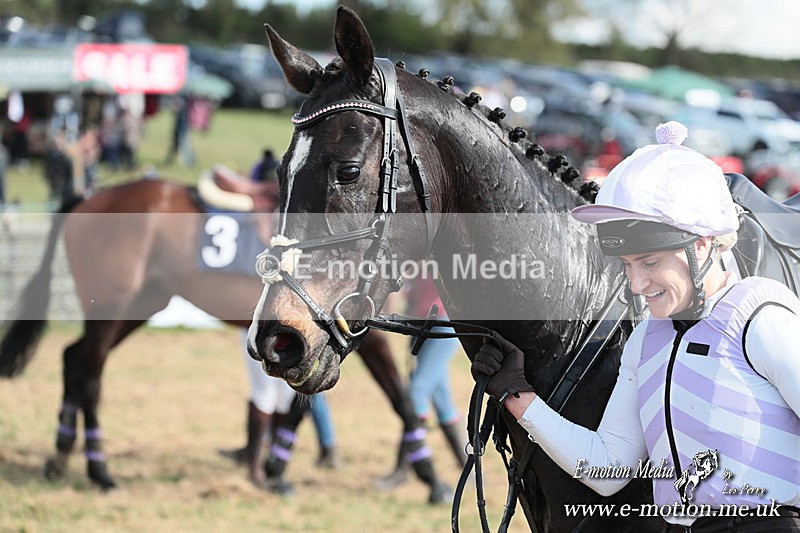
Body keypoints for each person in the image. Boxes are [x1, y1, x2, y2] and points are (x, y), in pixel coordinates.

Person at [471, 121, 800, 531]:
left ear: (702, 243)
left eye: (650, 262)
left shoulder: (761, 317)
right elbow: (607, 468)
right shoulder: (647, 337)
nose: (637, 284)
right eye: (627, 266)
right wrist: (516, 397)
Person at [377, 276, 467, 490]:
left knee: (416, 392)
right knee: (442, 401)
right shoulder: (412, 261)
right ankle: (468, 468)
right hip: (423, 328)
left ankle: (403, 470)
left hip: (444, 324)